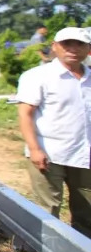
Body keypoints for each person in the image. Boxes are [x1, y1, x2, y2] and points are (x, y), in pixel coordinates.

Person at [16, 27, 91, 237]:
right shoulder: (38, 76)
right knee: (47, 209)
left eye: (80, 44)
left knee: (86, 212)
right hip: (50, 154)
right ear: (55, 47)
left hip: (84, 156)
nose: (73, 49)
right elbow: (25, 114)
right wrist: (34, 149)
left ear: (89, 49)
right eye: (67, 44)